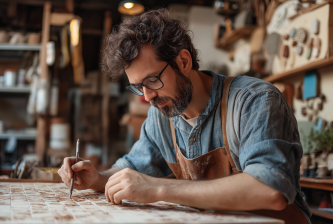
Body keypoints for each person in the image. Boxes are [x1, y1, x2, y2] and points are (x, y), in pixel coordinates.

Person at [58, 8, 311, 224]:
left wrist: (158, 188)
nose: (147, 97)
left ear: (183, 61)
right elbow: (132, 170)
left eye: (152, 80)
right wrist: (97, 178)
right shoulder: (162, 118)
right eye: (138, 87)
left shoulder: (253, 101)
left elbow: (270, 190)